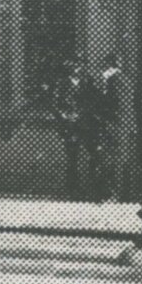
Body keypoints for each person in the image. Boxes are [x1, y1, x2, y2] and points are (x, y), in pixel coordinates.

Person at [92, 52, 136, 202]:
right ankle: (122, 194)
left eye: (104, 65)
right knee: (121, 160)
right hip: (122, 126)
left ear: (109, 65)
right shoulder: (124, 80)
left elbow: (116, 105)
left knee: (113, 160)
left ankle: (113, 195)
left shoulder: (115, 81)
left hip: (115, 126)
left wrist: (105, 118)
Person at [51, 58, 90, 200]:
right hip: (68, 124)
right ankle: (72, 187)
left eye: (80, 66)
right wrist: (64, 116)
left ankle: (81, 186)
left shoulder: (85, 84)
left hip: (82, 123)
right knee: (71, 155)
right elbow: (55, 104)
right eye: (75, 66)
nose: (77, 69)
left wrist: (81, 114)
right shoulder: (62, 84)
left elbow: (88, 102)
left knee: (83, 154)